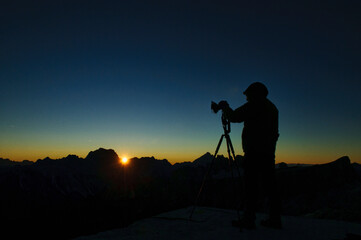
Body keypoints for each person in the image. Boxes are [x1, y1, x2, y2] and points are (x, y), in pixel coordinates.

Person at [219, 82, 282, 229]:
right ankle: (275, 219)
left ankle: (249, 219)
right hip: (268, 152)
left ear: (254, 94)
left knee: (250, 187)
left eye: (248, 95)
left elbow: (234, 117)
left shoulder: (255, 104)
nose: (246, 97)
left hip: (254, 152)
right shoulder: (272, 107)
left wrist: (224, 107)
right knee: (270, 187)